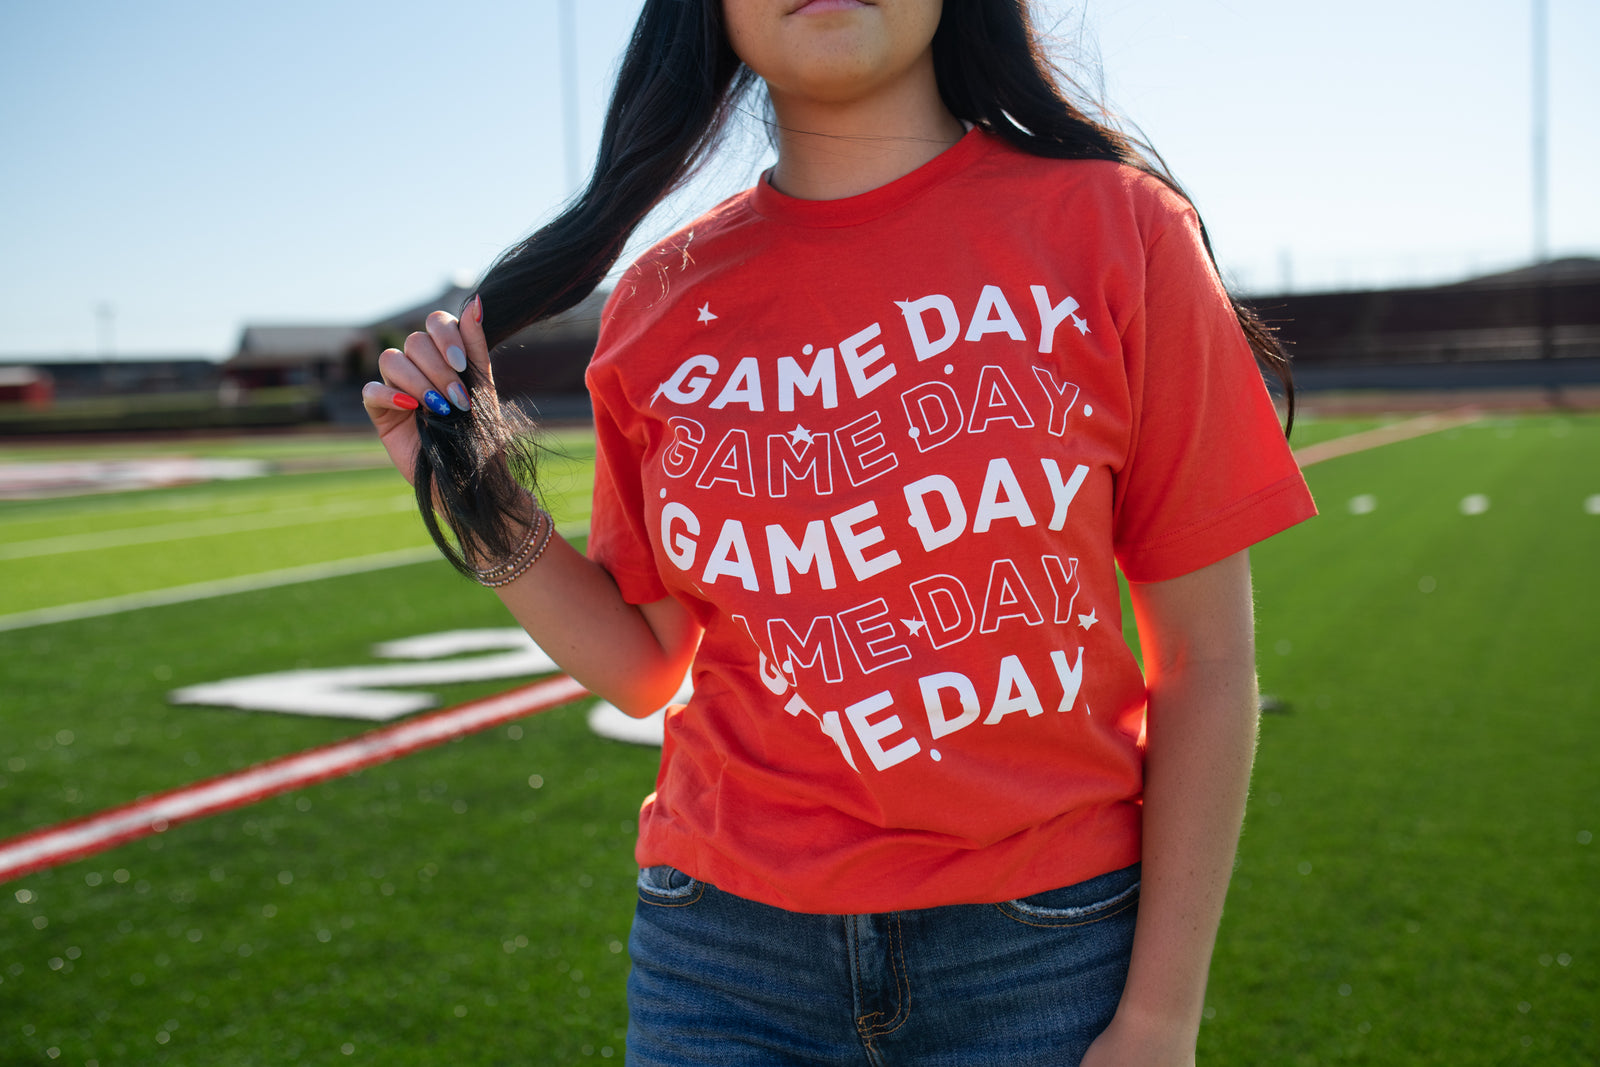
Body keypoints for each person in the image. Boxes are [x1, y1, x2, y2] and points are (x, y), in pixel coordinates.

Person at [362, 1, 1316, 1062]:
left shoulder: (1119, 228)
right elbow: (642, 667)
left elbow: (1208, 659)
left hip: (1043, 955)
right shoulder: (655, 301)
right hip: (720, 957)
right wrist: (478, 496)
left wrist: (1159, 1018)